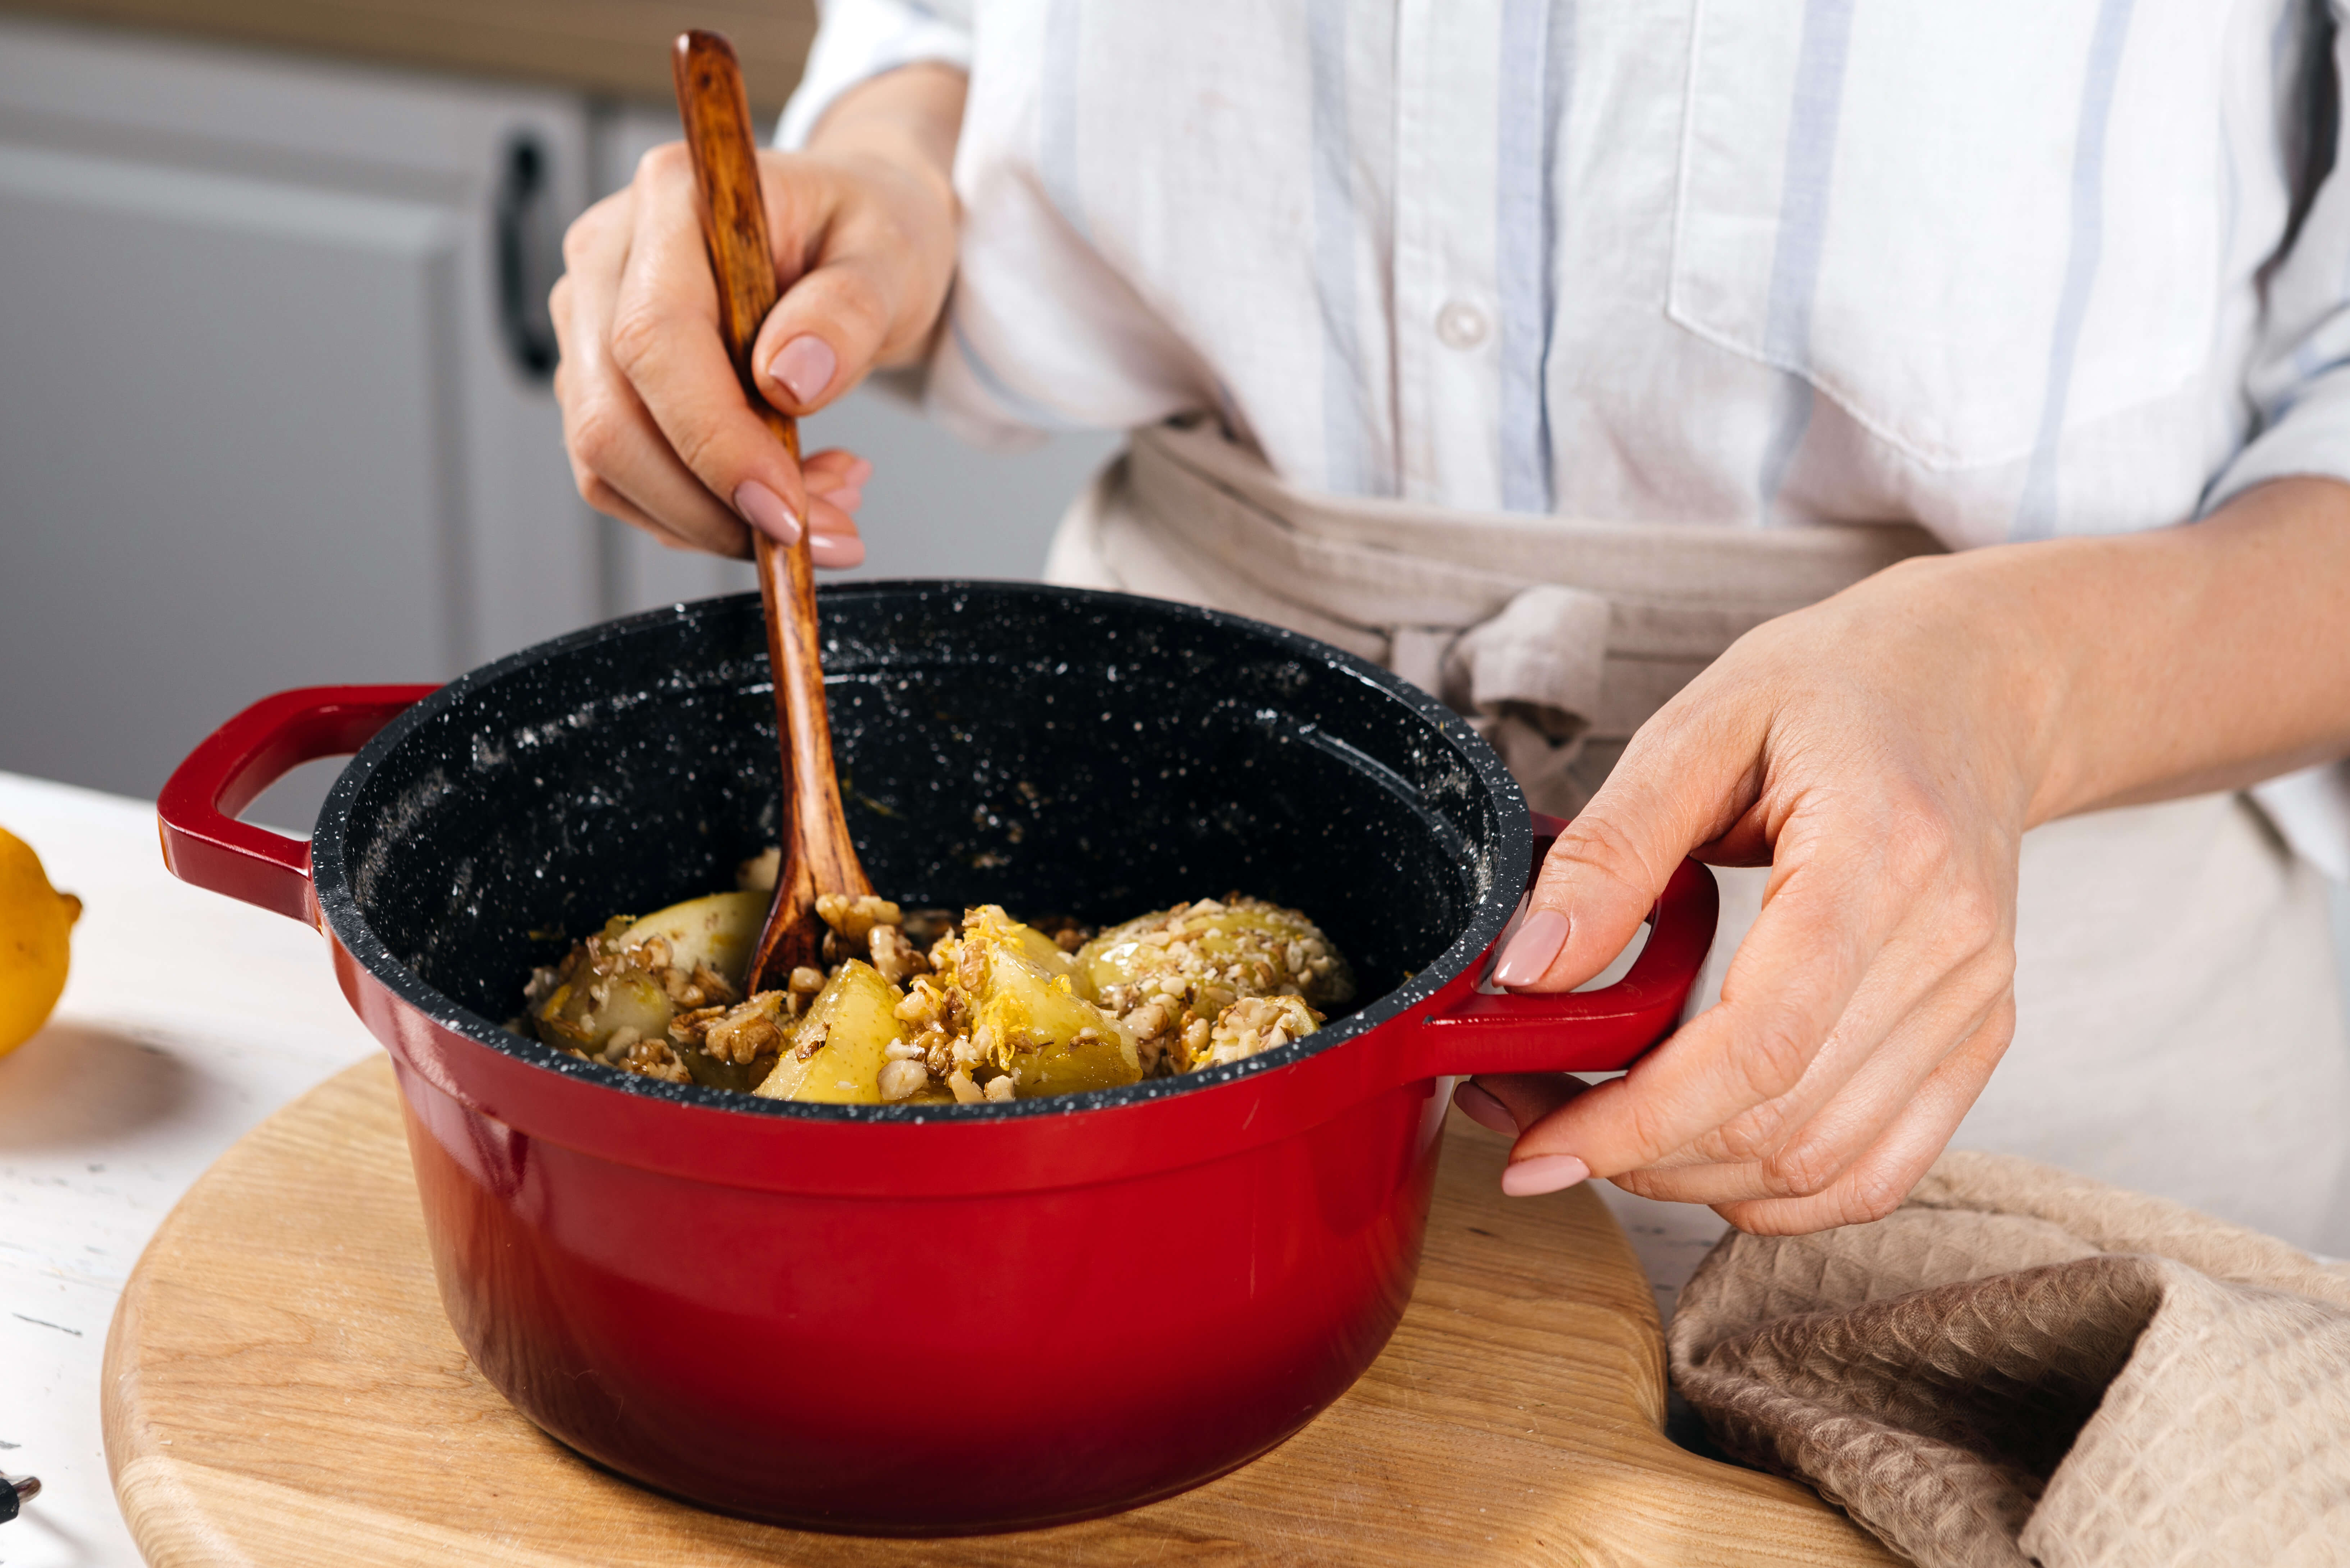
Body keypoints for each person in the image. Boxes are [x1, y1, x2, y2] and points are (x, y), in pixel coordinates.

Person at [551, 2, 2350, 1251]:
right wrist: (892, 181)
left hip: (2021, 1032)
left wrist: (2010, 689)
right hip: (1154, 926)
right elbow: (949, 38)